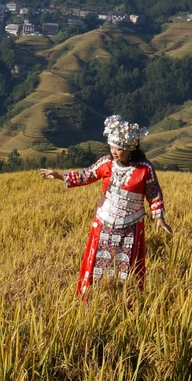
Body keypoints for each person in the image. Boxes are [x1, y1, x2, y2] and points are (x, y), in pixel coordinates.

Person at [39, 115, 173, 298]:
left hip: (131, 225)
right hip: (104, 221)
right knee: (98, 262)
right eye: (111, 147)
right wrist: (59, 175)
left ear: (130, 149)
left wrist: (159, 218)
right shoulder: (106, 163)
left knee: (128, 265)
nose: (114, 152)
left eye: (118, 148)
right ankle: (94, 298)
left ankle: (126, 299)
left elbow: (153, 192)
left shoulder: (145, 169)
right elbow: (85, 175)